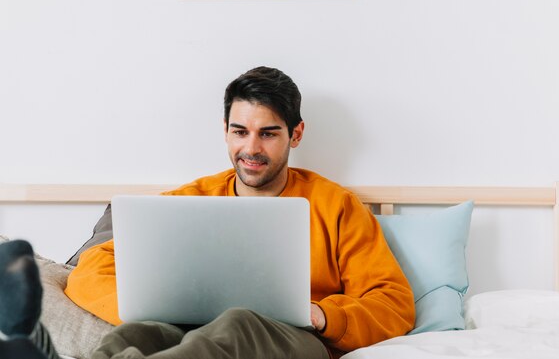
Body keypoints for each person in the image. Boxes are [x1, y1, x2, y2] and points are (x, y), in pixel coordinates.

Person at [2, 67, 415, 359]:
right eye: (240, 131)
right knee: (137, 334)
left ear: (296, 133)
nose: (251, 148)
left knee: (238, 323)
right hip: (192, 328)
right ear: (225, 130)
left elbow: (394, 303)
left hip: (295, 339)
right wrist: (152, 306)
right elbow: (93, 268)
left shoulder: (335, 205)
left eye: (268, 133)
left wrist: (325, 315)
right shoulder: (191, 199)